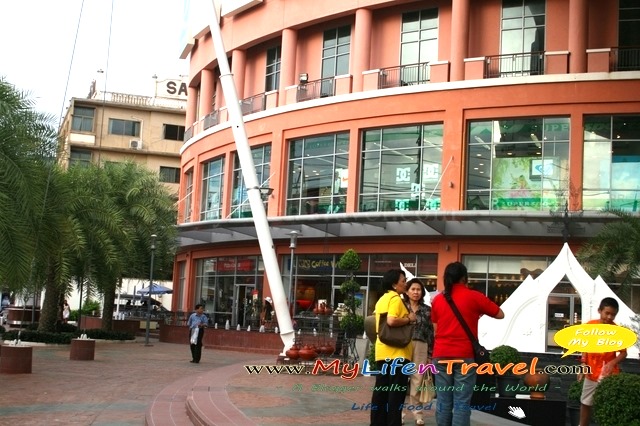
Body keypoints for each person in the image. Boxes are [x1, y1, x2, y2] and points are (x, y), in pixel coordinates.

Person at [431, 262, 504, 426]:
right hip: (464, 355)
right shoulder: (474, 296)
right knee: (462, 402)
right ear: (464, 278)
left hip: (441, 355)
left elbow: (435, 330)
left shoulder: (437, 300)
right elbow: (500, 314)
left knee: (443, 400)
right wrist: (475, 313)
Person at [371, 269, 416, 426]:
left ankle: (377, 422)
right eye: (403, 281)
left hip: (382, 352)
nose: (405, 284)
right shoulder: (396, 299)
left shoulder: (381, 299)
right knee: (396, 393)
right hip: (398, 353)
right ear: (394, 284)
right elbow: (391, 321)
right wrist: (409, 319)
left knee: (381, 391)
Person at [578, 297, 627, 426]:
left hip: (608, 374)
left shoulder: (617, 331)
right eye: (607, 313)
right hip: (591, 372)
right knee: (585, 402)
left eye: (613, 314)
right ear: (600, 311)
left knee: (607, 404)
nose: (610, 317)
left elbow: (623, 353)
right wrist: (583, 364)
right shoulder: (590, 326)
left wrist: (612, 363)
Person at [403, 278, 435, 426]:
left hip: (421, 345)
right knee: (401, 379)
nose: (416, 292)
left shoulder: (427, 310)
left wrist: (430, 354)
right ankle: (399, 414)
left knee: (417, 379)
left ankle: (418, 415)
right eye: (413, 289)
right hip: (402, 345)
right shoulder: (401, 306)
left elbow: (430, 333)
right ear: (407, 291)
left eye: (419, 289)